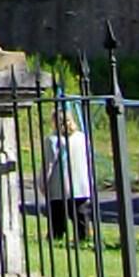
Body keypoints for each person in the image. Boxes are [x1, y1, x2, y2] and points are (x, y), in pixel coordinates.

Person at [44, 101, 94, 242]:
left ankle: (56, 237)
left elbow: (49, 165)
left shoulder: (53, 140)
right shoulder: (82, 138)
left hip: (60, 186)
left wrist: (43, 182)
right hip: (81, 185)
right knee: (81, 216)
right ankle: (83, 238)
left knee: (57, 217)